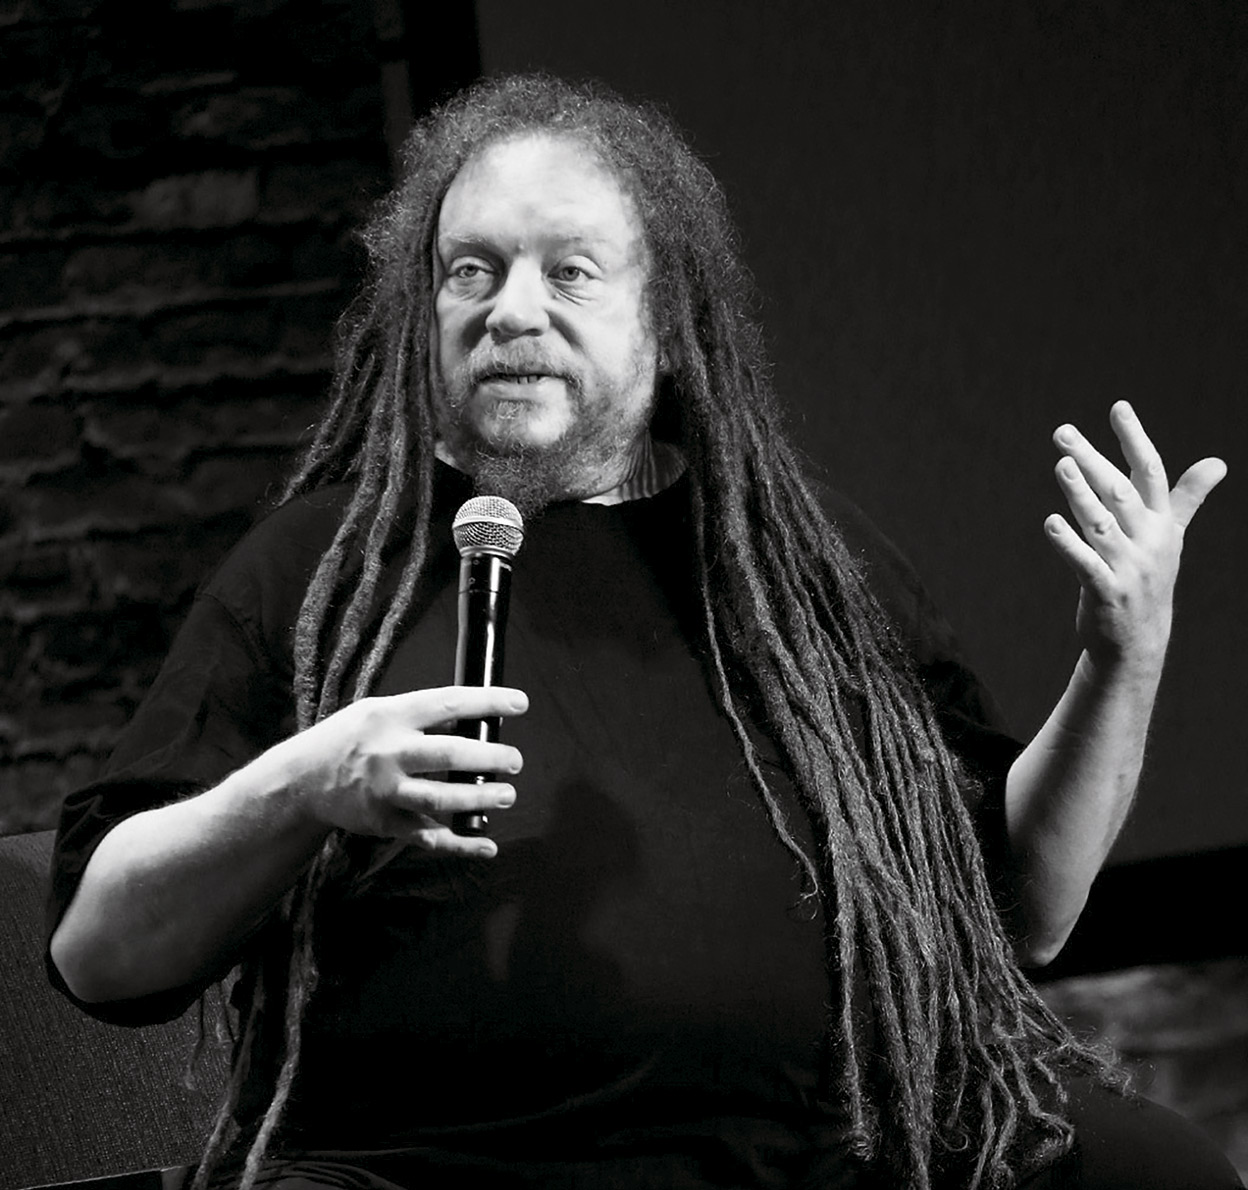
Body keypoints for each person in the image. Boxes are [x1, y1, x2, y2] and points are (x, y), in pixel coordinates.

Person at [46, 74, 1236, 1190]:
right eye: (471, 271)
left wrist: (1120, 658)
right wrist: (309, 781)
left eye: (568, 272)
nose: (510, 308)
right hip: (426, 1170)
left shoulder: (800, 569)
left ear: (665, 322)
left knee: (1159, 1170)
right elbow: (100, 952)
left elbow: (1028, 910)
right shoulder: (320, 569)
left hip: (819, 1160)